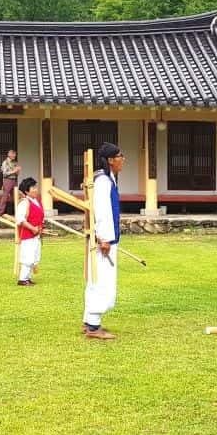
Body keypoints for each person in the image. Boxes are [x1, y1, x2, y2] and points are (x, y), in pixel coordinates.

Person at [83, 143, 125, 341]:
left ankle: (89, 321)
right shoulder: (103, 181)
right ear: (110, 160)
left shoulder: (109, 178)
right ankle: (93, 327)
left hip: (105, 237)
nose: (122, 159)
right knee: (101, 281)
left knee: (97, 279)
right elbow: (101, 211)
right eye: (120, 156)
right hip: (103, 239)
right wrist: (104, 238)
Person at [16, 176, 44, 287]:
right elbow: (20, 219)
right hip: (28, 234)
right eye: (32, 188)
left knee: (35, 256)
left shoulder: (36, 201)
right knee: (28, 256)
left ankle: (28, 277)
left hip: (36, 234)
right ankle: (22, 279)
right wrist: (32, 228)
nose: (35, 189)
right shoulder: (24, 202)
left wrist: (39, 229)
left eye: (35, 187)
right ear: (26, 191)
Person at [0, 149, 21, 216]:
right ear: (9, 154)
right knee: (5, 196)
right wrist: (14, 171)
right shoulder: (5, 162)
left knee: (15, 196)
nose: (14, 155)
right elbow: (4, 173)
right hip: (8, 180)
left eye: (15, 154)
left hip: (14, 180)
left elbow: (17, 173)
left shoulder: (14, 163)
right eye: (13, 154)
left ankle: (17, 212)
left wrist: (18, 171)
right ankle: (0, 212)